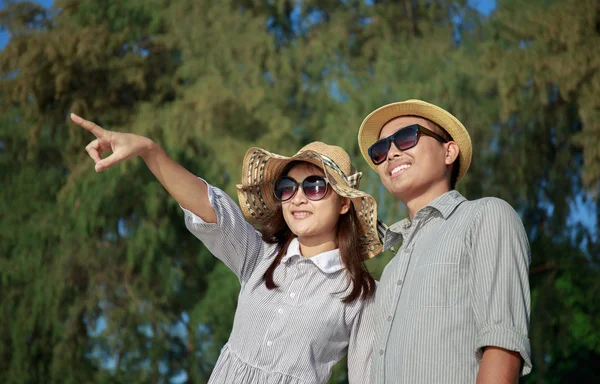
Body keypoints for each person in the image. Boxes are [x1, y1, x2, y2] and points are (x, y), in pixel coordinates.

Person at [71, 113, 384, 384]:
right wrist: (148, 150)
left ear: (344, 203)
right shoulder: (260, 256)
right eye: (287, 188)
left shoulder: (363, 294)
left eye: (315, 186)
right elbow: (210, 208)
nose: (298, 198)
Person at [357, 100, 532, 383]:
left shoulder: (485, 216)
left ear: (449, 151)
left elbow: (502, 343)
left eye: (405, 137)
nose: (390, 153)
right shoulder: (391, 269)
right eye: (379, 150)